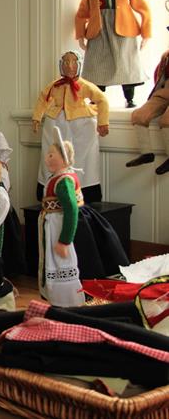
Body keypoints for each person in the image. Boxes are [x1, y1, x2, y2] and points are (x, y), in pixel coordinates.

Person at [32, 50, 109, 203]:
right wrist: (36, 118)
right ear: (61, 65)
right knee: (52, 151)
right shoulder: (55, 85)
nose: (69, 66)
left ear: (79, 65)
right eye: (66, 62)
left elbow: (102, 100)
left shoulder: (85, 86)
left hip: (81, 124)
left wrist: (103, 122)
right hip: (56, 121)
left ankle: (86, 190)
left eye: (73, 62)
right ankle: (49, 188)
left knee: (83, 156)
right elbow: (43, 99)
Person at [75, 0, 150, 108]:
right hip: (99, 32)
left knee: (126, 64)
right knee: (96, 65)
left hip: (124, 32)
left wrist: (146, 34)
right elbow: (81, 15)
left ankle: (129, 98)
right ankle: (96, 98)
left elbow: (144, 9)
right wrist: (81, 36)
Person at [38, 128, 85, 307]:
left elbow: (71, 210)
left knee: (61, 261)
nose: (47, 159)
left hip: (59, 226)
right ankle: (56, 300)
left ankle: (68, 301)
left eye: (51, 155)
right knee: (53, 260)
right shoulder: (57, 177)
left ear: (64, 158)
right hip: (53, 225)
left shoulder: (64, 181)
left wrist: (64, 241)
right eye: (47, 155)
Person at [126, 48, 169, 175]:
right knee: (139, 115)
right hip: (164, 91)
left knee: (166, 120)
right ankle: (146, 154)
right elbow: (159, 76)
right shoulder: (166, 56)